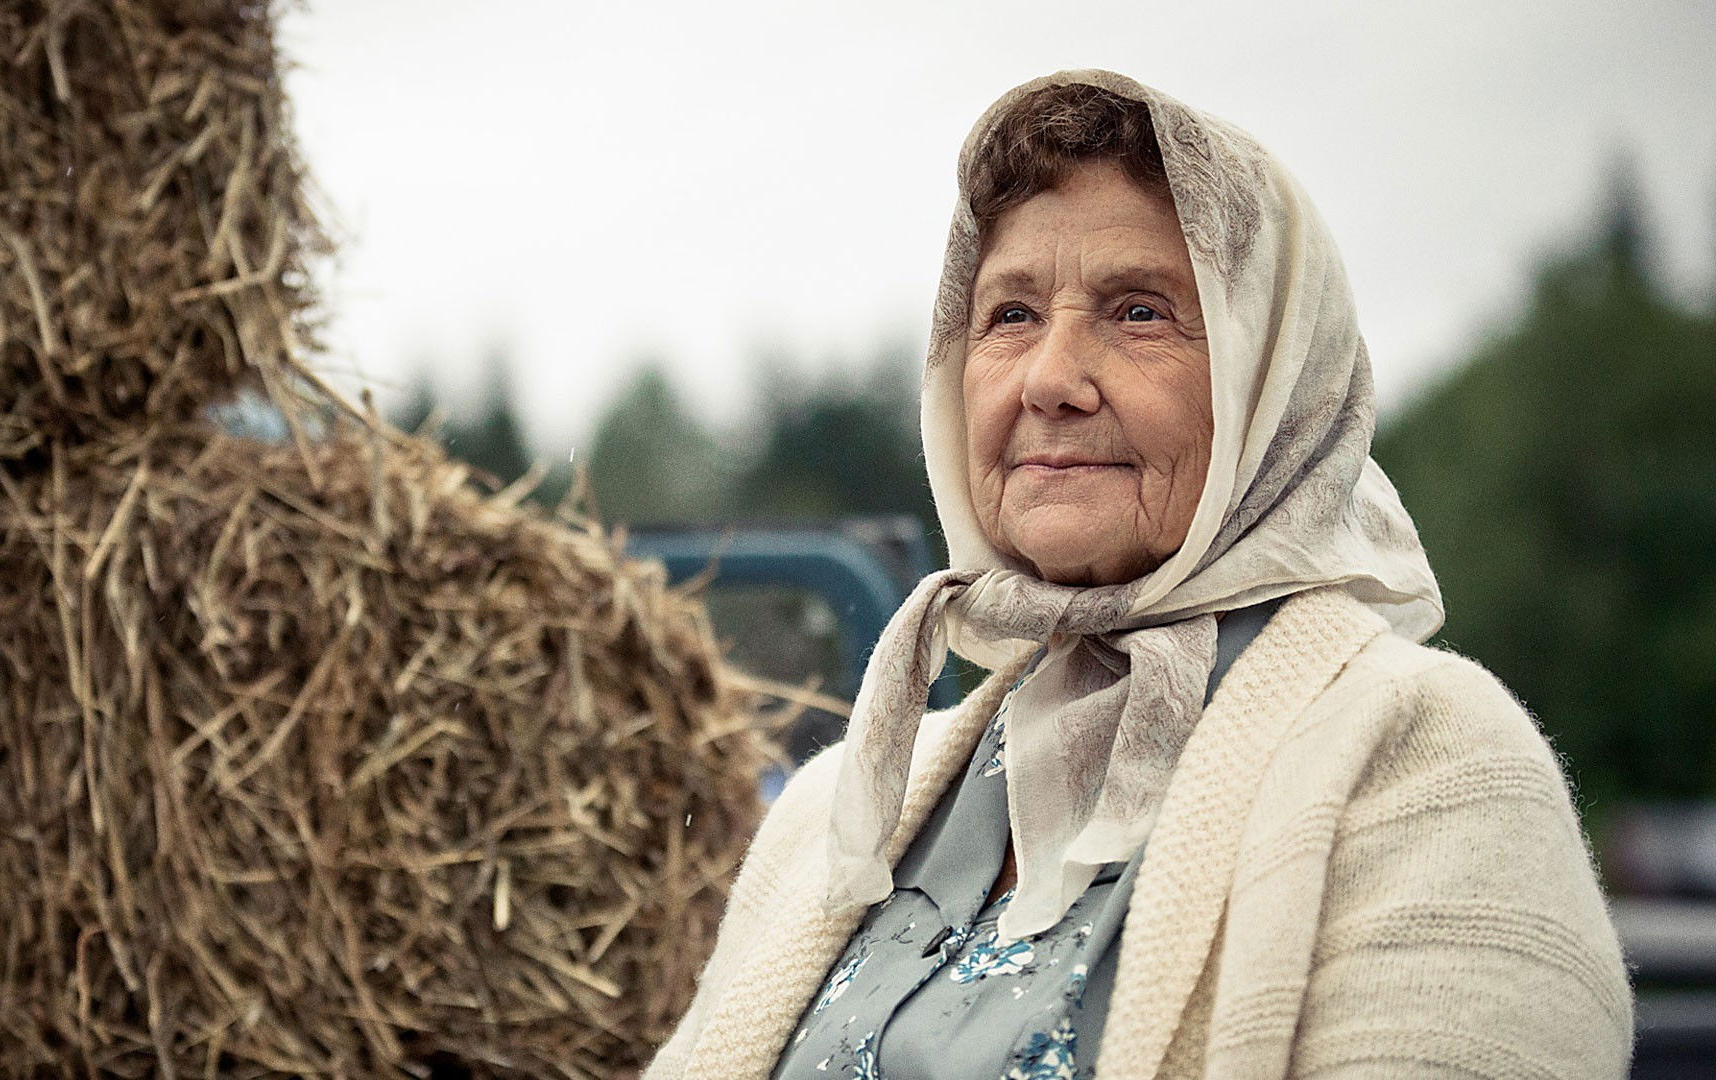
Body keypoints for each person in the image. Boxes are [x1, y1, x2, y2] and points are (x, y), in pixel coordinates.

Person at [644, 70, 1632, 1080]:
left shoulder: (1429, 762)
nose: (1050, 380)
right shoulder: (838, 808)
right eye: (1013, 314)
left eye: (1140, 313)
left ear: (1273, 384)